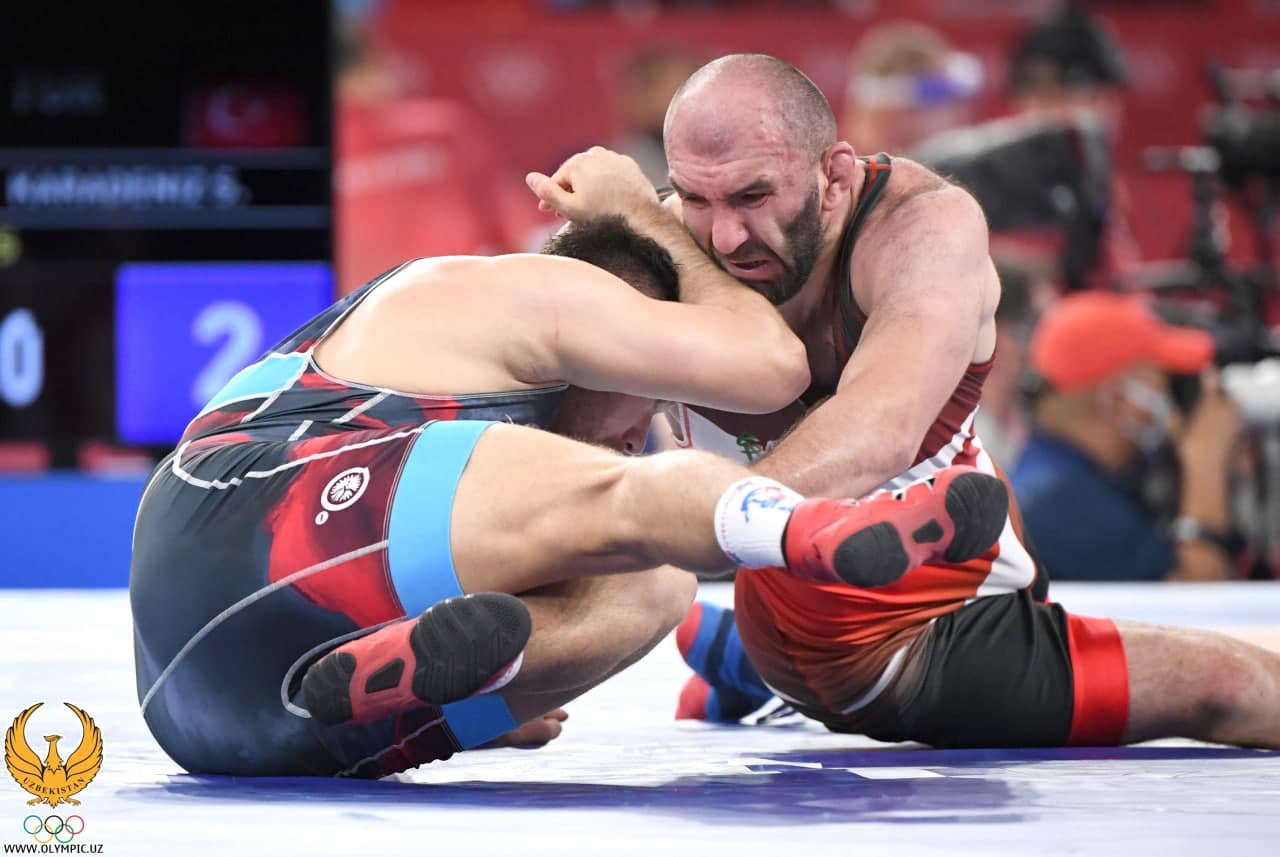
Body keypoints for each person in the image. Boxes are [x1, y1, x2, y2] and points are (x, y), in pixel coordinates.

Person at [130, 152, 1009, 779]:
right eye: (655, 391)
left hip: (225, 717)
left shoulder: (464, 394)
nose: (646, 428)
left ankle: (461, 693)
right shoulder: (532, 290)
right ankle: (814, 531)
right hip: (261, 501)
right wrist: (643, 213)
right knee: (637, 501)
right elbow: (770, 361)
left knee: (655, 585)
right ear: (630, 316)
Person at [528, 53, 1280, 749]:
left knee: (1236, 685)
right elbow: (554, 467)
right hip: (860, 649)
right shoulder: (664, 248)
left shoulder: (919, 229)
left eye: (754, 196)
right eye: (693, 197)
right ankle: (755, 667)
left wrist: (696, 522)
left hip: (933, 626)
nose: (724, 237)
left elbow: (875, 435)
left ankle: (751, 670)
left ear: (834, 176)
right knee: (619, 546)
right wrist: (506, 684)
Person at [1011, 291, 1245, 582]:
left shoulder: (1056, 477)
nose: (1169, 398)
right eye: (1162, 378)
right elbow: (1196, 598)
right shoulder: (1063, 501)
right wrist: (1206, 460)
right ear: (1118, 399)